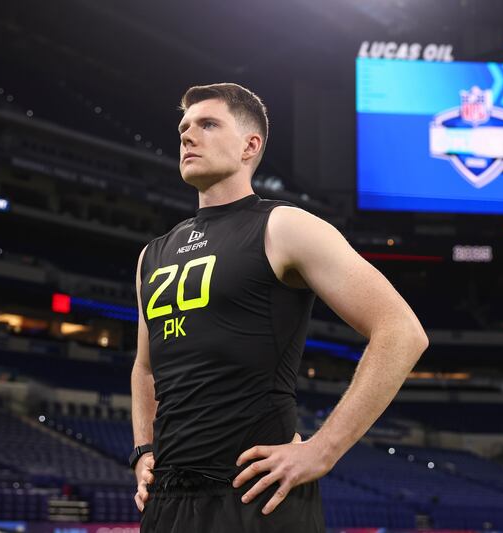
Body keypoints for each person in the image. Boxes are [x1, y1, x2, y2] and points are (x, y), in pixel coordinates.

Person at [131, 82, 428, 532]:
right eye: (184, 127)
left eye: (208, 124)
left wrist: (322, 450)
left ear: (251, 145)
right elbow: (145, 369)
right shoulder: (152, 253)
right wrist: (143, 450)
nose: (189, 136)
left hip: (256, 499)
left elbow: (401, 331)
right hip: (168, 502)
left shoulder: (284, 225)